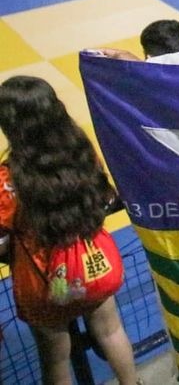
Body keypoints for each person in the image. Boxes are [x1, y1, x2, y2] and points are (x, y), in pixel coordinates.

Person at [0, 77, 140, 385]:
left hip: (47, 283)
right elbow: (104, 196)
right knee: (111, 331)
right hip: (92, 268)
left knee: (56, 357)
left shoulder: (8, 179)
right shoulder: (80, 151)